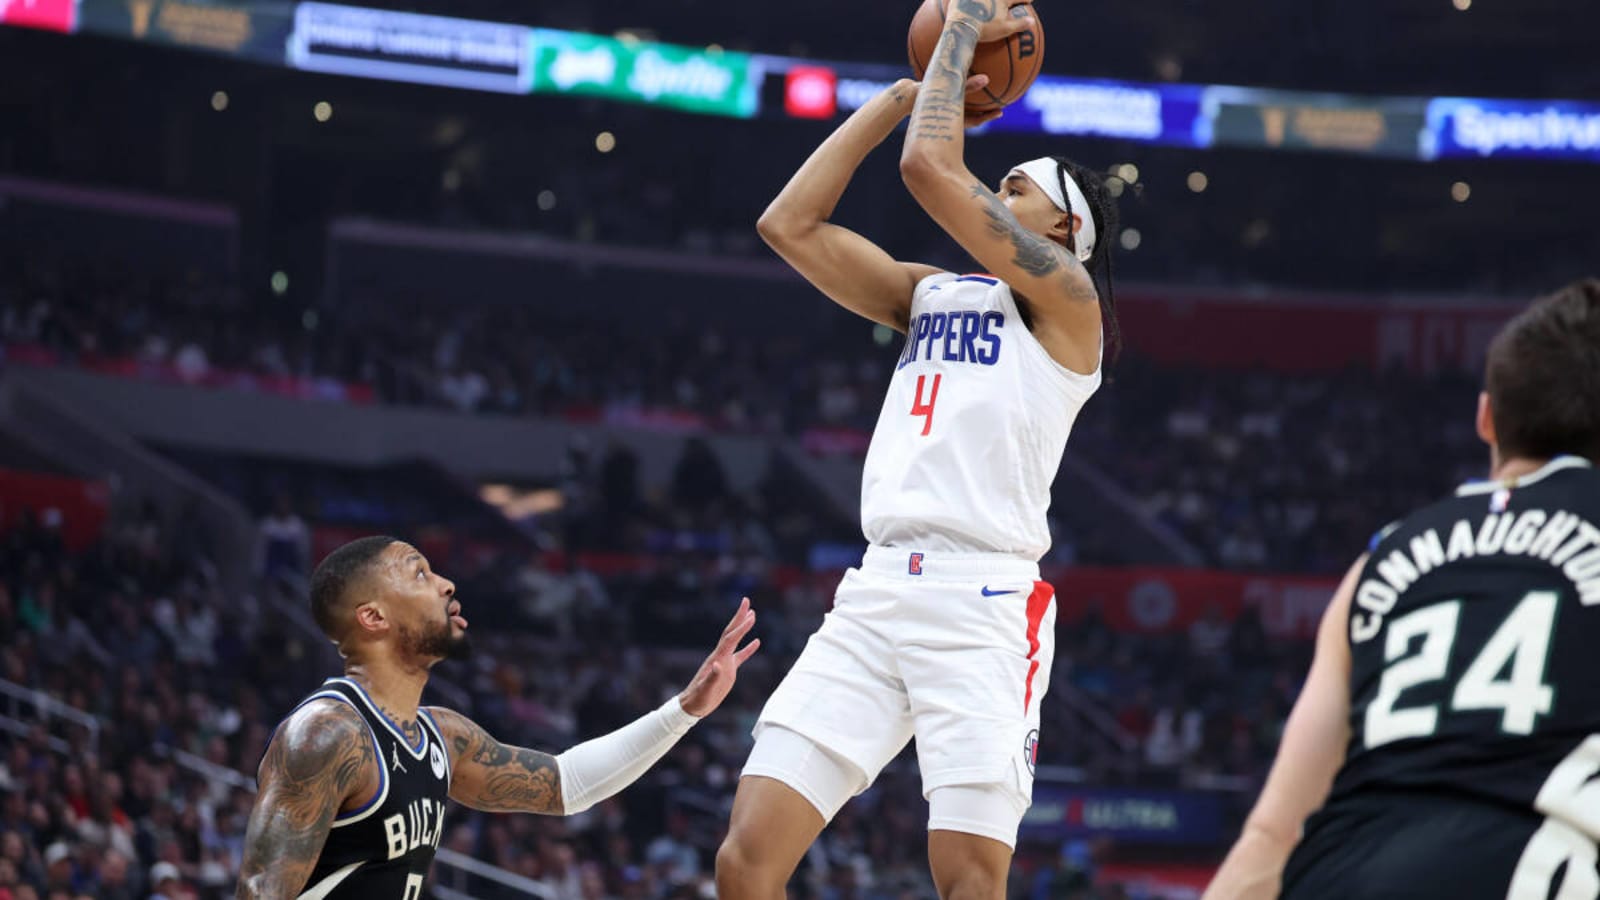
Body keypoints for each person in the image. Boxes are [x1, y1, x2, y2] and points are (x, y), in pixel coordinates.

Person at [717, 2, 1121, 897]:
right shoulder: (933, 292)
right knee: (745, 860)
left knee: (969, 880)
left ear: (1063, 232)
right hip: (876, 589)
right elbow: (789, 225)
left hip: (982, 606)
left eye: (1019, 188)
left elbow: (931, 168)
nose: (999, 189)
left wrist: (965, 21)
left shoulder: (1069, 309)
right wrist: (902, 95)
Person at [1203, 279, 1600, 899]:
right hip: (1522, 870)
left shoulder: (1384, 558)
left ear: (1486, 418)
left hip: (1336, 876)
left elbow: (1274, 834)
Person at [236, 536, 759, 898]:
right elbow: (260, 893)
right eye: (420, 573)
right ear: (372, 617)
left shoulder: (443, 735)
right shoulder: (326, 734)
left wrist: (685, 709)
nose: (445, 583)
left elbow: (567, 784)